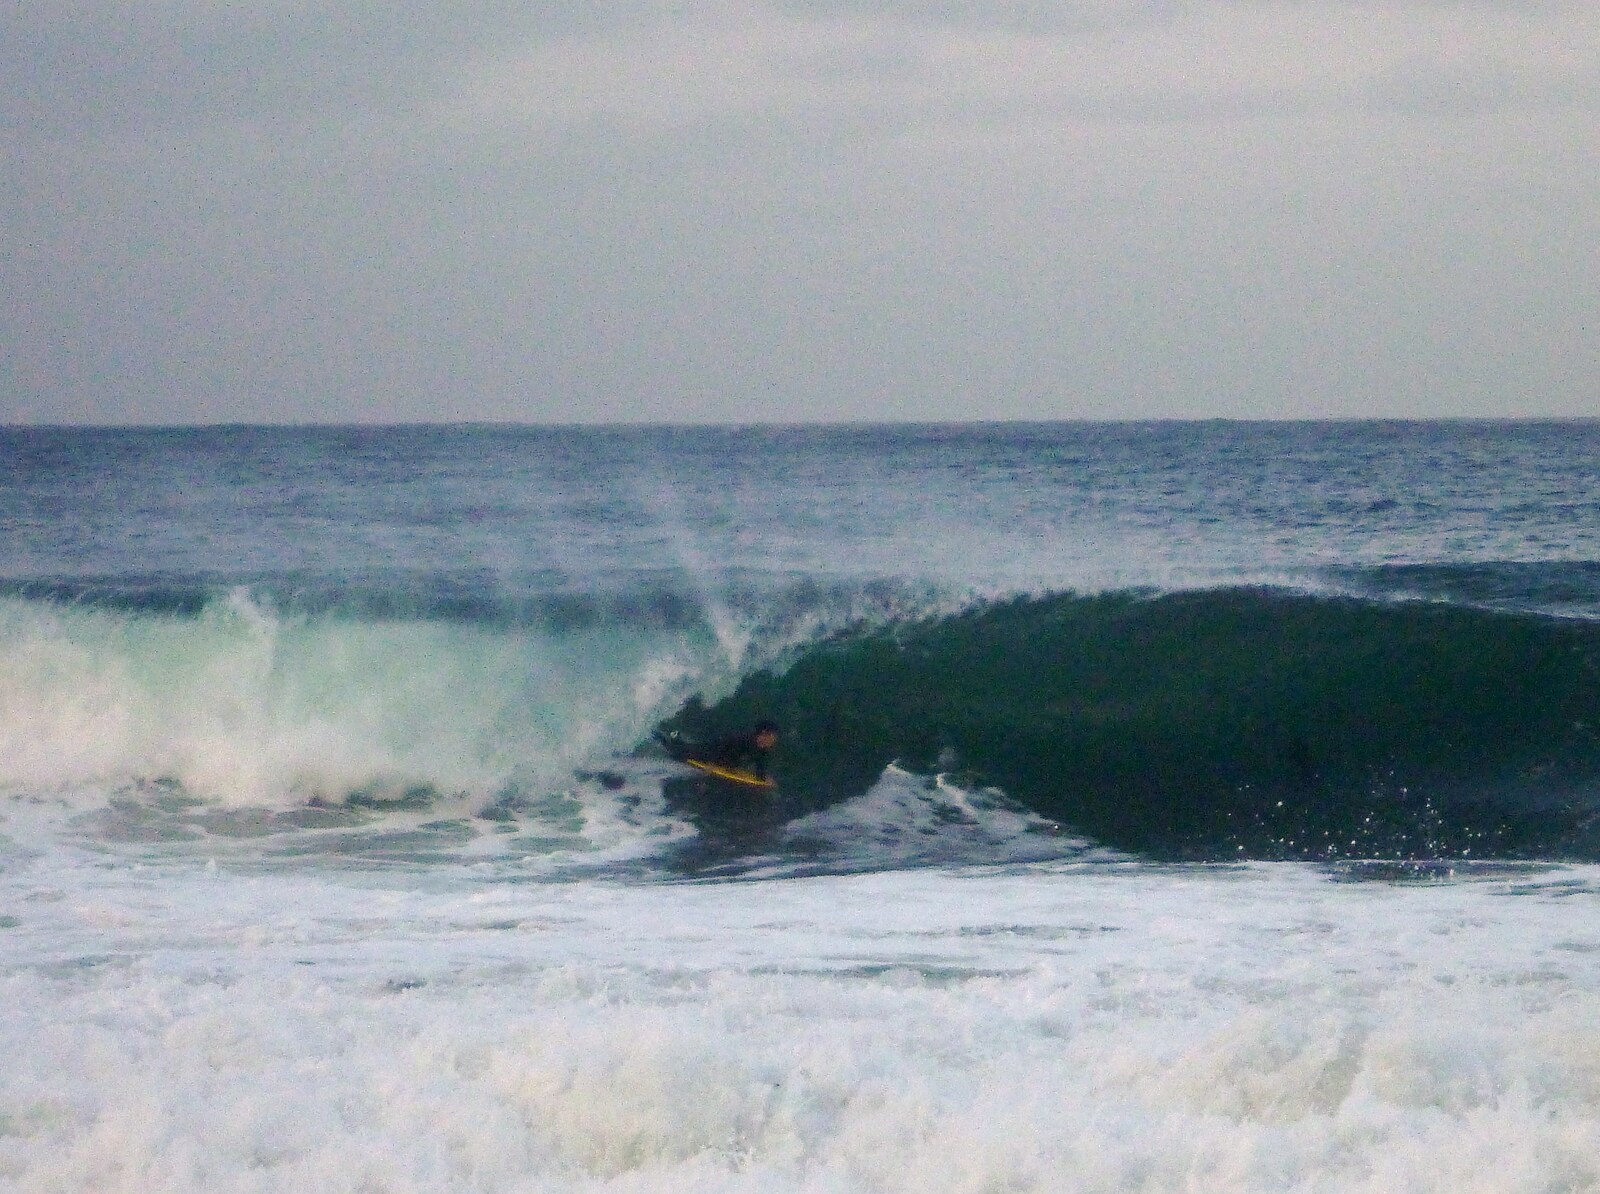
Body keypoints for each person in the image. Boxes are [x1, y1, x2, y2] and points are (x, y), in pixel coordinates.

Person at [655, 719, 780, 781]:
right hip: (711, 751)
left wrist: (762, 778)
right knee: (676, 751)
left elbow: (760, 764)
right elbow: (723, 746)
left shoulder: (762, 749)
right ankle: (662, 735)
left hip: (723, 761)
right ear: (764, 734)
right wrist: (711, 765)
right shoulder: (744, 739)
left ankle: (675, 736)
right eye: (773, 736)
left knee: (685, 748)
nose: (774, 740)